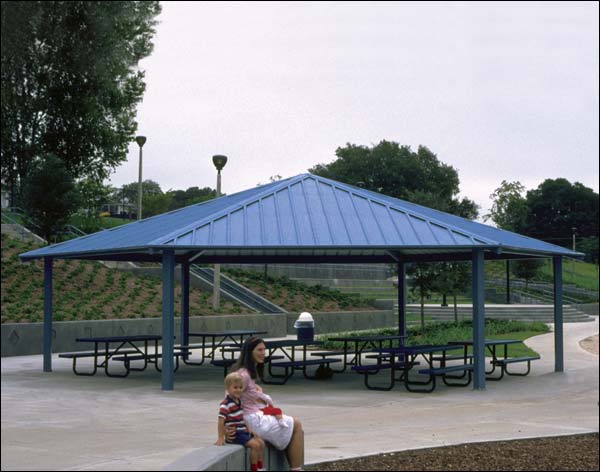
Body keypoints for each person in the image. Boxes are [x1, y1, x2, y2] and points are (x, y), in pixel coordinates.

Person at [229, 336, 304, 471]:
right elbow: (229, 400)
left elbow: (247, 397)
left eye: (264, 350)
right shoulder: (243, 375)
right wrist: (229, 427)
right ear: (249, 352)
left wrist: (259, 393)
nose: (263, 353)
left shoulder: (248, 373)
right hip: (252, 421)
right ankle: (296, 469)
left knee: (280, 414)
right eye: (259, 350)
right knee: (296, 424)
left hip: (255, 414)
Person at [215, 372, 266, 472]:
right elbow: (221, 421)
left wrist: (249, 429)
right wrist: (221, 437)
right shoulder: (225, 404)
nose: (238, 390)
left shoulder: (239, 401)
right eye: (235, 387)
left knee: (261, 443)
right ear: (228, 388)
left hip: (242, 431)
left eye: (240, 387)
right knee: (255, 446)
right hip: (235, 434)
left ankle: (260, 466)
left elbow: (241, 418)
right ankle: (254, 468)